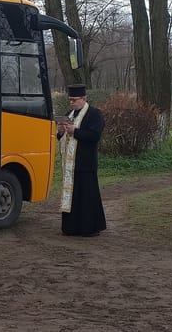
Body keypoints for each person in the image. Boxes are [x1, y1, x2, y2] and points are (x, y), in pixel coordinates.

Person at [57, 84, 106, 237]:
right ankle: (71, 227)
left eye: (74, 100)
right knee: (73, 197)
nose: (71, 103)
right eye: (70, 100)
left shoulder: (94, 114)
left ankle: (89, 228)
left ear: (84, 99)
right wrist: (60, 132)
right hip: (71, 165)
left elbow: (94, 136)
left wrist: (75, 131)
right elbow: (62, 138)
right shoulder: (69, 114)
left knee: (87, 197)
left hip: (86, 162)